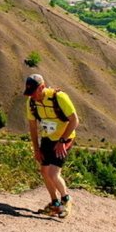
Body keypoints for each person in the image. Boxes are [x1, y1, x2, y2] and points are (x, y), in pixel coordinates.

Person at [24, 74, 79, 218]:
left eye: (33, 92)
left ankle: (66, 200)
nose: (32, 96)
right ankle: (55, 204)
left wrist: (62, 140)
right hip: (48, 138)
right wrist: (36, 149)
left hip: (65, 138)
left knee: (54, 173)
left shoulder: (59, 97)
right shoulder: (31, 102)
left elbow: (74, 121)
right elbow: (32, 127)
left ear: (42, 87)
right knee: (44, 171)